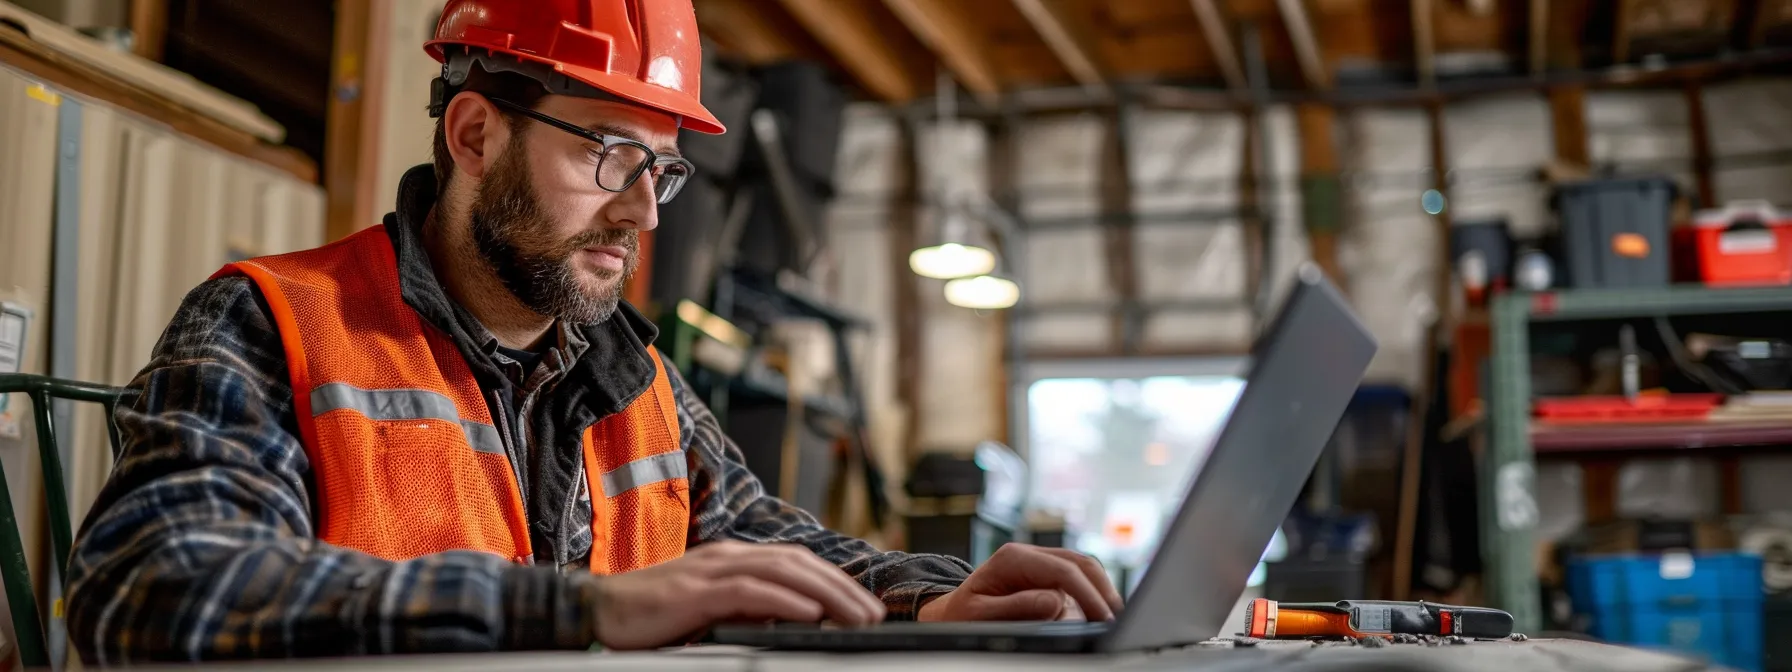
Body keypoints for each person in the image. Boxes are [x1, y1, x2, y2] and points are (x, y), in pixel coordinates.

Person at [64, 0, 1122, 663]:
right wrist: (578, 610)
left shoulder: (632, 375)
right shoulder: (271, 325)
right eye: (608, 153)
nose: (644, 211)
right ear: (474, 133)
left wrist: (936, 607)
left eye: (660, 169)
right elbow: (150, 586)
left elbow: (769, 545)